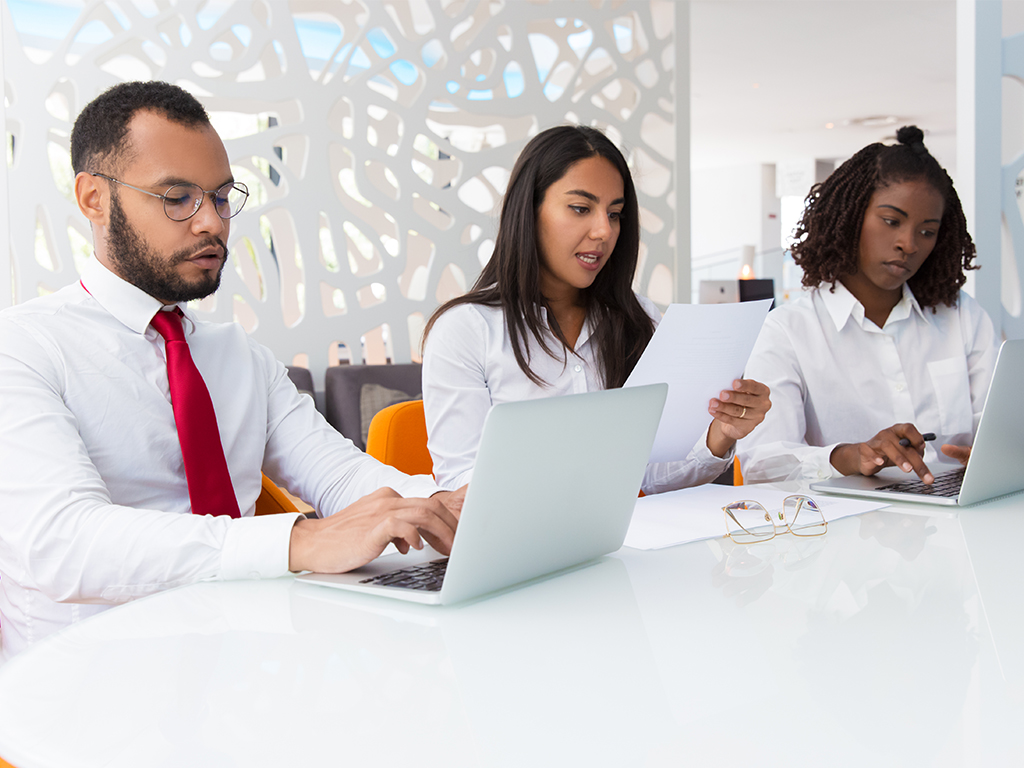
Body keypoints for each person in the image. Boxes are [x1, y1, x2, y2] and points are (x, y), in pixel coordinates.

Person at [0, 81, 462, 658]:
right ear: (94, 198)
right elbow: (61, 543)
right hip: (87, 676)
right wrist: (300, 541)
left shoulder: (238, 355)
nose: (212, 223)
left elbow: (342, 478)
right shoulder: (22, 347)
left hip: (248, 654)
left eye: (221, 198)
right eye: (178, 197)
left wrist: (449, 504)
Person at [421, 125, 771, 493]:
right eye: (580, 208)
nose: (604, 231)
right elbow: (460, 484)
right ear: (529, 210)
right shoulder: (466, 331)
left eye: (615, 214)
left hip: (631, 529)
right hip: (521, 530)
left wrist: (721, 433)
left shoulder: (639, 319)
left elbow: (649, 474)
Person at [737, 125, 998, 484]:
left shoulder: (963, 317)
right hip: (846, 519)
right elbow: (763, 464)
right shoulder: (787, 332)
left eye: (927, 231)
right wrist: (849, 456)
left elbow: (999, 428)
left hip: (958, 510)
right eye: (891, 221)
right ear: (850, 217)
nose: (909, 244)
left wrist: (996, 456)